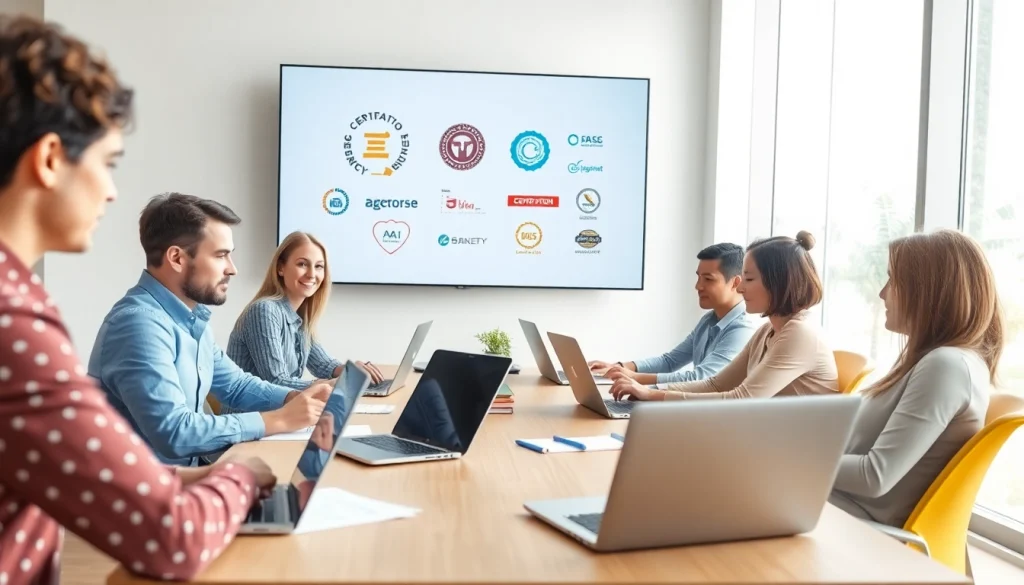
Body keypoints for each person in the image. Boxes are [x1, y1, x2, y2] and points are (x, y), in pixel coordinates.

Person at [0, 15, 274, 582]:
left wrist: (199, 479)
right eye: (108, 163)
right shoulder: (13, 319)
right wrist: (242, 476)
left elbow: (77, 472)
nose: (112, 189)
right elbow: (170, 542)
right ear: (51, 159)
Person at [88, 193, 332, 467]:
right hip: (142, 499)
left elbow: (236, 386)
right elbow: (175, 432)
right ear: (177, 258)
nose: (232, 269)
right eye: (221, 256)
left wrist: (296, 398)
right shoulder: (139, 325)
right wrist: (277, 420)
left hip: (183, 481)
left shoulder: (192, 320)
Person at [829, 230, 1002, 528]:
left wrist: (786, 461)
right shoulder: (939, 361)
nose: (882, 293)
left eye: (893, 280)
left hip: (854, 525)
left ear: (930, 292)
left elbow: (875, 476)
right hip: (834, 507)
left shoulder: (946, 367)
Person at [610, 231, 838, 401]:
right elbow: (716, 385)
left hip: (795, 452)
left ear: (778, 282)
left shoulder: (799, 333)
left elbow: (742, 399)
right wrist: (649, 392)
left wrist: (650, 394)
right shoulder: (767, 331)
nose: (740, 289)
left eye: (748, 279)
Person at [225, 231, 383, 400]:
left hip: (281, 417)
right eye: (302, 264)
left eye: (319, 266)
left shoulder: (299, 315)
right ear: (280, 268)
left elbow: (323, 365)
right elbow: (276, 381)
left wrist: (350, 371)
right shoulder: (264, 310)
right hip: (251, 421)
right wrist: (331, 385)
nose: (312, 274)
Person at [587, 243, 756, 385]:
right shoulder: (709, 320)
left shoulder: (742, 329)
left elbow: (701, 378)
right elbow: (670, 361)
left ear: (735, 282)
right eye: (698, 278)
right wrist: (619, 367)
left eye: (708, 279)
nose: (698, 286)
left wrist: (634, 379)